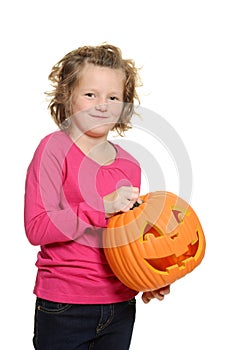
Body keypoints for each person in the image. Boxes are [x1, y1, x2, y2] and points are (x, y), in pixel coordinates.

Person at [24, 44, 170, 350]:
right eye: (91, 94)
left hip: (120, 306)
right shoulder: (54, 150)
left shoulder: (129, 163)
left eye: (113, 97)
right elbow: (37, 227)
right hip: (65, 306)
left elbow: (126, 237)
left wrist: (148, 276)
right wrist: (101, 206)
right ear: (67, 96)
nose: (102, 105)